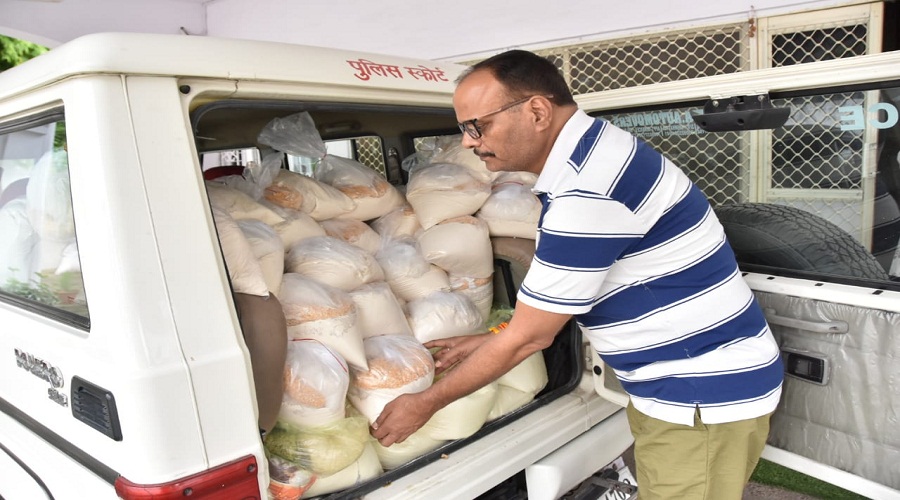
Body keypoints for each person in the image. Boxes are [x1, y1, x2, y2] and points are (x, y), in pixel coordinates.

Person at [371, 49, 784, 500]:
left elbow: (532, 337)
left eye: (478, 126)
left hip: (698, 398)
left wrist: (425, 403)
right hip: (683, 388)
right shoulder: (596, 154)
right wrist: (493, 338)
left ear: (536, 111)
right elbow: (560, 302)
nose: (469, 142)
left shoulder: (587, 194)